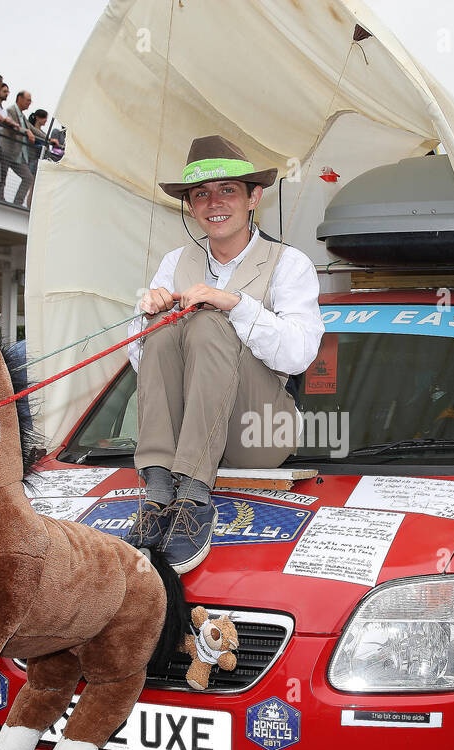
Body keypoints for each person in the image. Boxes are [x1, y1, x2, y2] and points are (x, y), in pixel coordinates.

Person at [123, 135, 322, 573]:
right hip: (182, 439)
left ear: (255, 197)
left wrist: (234, 304)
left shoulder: (290, 263)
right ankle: (158, 490)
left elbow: (299, 356)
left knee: (211, 321)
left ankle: (192, 495)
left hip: (257, 433)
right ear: (191, 206)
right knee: (162, 323)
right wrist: (146, 315)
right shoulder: (175, 261)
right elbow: (143, 364)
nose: (214, 202)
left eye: (227, 190)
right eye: (201, 194)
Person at [4, 89, 38, 206]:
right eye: (28, 100)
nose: (29, 103)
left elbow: (34, 130)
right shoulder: (11, 110)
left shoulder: (22, 116)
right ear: (20, 99)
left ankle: (17, 202)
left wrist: (49, 139)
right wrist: (26, 131)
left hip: (18, 154)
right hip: (7, 150)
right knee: (1, 177)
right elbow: (11, 125)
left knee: (28, 177)